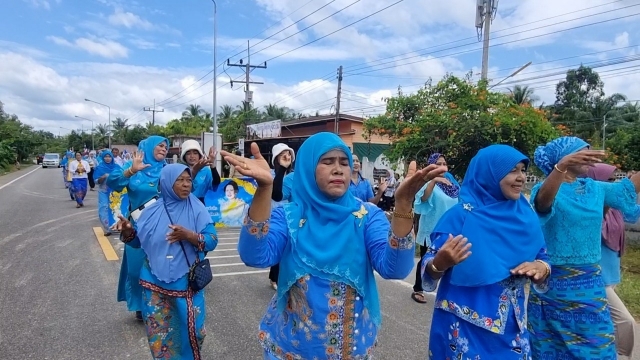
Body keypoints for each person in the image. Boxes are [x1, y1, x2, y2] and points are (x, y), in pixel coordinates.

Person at [222, 132, 446, 359]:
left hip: (350, 350)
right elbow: (255, 256)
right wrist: (264, 189)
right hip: (291, 349)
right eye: (327, 162)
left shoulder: (366, 216)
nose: (338, 169)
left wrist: (404, 205)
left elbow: (394, 269)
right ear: (309, 168)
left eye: (344, 162)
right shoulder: (289, 215)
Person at [421, 145, 550, 359]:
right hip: (463, 327)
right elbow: (428, 267)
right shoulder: (460, 217)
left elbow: (543, 257)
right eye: (512, 170)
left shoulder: (525, 216)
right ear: (489, 173)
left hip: (513, 329)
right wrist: (439, 264)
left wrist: (541, 268)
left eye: (523, 170)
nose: (521, 178)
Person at [529, 136, 640, 359]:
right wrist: (562, 167)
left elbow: (629, 187)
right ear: (564, 158)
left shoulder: (597, 189)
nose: (591, 158)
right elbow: (543, 203)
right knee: (551, 348)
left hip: (590, 284)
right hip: (553, 284)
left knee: (598, 346)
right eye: (584, 153)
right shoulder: (545, 189)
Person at [116, 163, 218, 359]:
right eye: (179, 180)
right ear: (166, 182)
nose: (186, 185)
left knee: (194, 332)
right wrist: (128, 231)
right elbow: (138, 242)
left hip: (187, 284)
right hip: (153, 285)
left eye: (188, 180)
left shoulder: (198, 209)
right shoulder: (150, 211)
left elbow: (212, 240)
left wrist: (189, 236)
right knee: (160, 336)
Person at [108, 135, 169, 321]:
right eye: (160, 146)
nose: (164, 149)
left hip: (162, 227)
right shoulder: (133, 167)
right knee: (135, 269)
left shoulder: (168, 169)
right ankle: (139, 305)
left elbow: (187, 186)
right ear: (148, 147)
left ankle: (158, 305)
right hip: (136, 228)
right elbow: (113, 183)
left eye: (166, 147)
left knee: (161, 267)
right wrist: (132, 171)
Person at [585, 163, 637, 359]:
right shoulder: (589, 212)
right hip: (596, 278)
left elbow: (634, 212)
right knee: (625, 321)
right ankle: (622, 355)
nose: (614, 184)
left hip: (611, 275)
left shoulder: (617, 209)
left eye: (615, 180)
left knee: (602, 324)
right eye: (610, 180)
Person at [411, 153, 460, 304]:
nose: (441, 167)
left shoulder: (451, 181)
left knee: (451, 261)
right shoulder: (428, 180)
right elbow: (423, 199)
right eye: (437, 164)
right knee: (427, 259)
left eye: (444, 163)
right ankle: (418, 288)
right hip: (432, 228)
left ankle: (447, 292)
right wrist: (433, 181)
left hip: (450, 229)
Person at [267, 143, 295, 290]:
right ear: (276, 158)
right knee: (278, 246)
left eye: (289, 153)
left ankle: (281, 276)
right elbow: (275, 194)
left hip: (290, 217)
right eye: (283, 153)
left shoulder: (294, 177)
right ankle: (274, 277)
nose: (287, 156)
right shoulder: (270, 175)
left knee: (287, 248)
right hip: (274, 215)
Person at [180, 139, 221, 204]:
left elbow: (215, 184)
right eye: (188, 153)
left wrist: (212, 164)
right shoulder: (180, 170)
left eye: (195, 153)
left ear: (199, 155)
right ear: (184, 156)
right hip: (183, 203)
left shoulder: (206, 170)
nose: (192, 156)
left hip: (200, 204)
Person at [93, 150, 119, 235]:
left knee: (116, 208)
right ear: (103, 158)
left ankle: (117, 226)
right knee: (104, 208)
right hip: (103, 191)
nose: (107, 158)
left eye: (109, 156)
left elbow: (122, 177)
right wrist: (103, 177)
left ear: (112, 157)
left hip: (115, 192)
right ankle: (107, 228)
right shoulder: (99, 168)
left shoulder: (117, 167)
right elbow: (96, 181)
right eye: (105, 157)